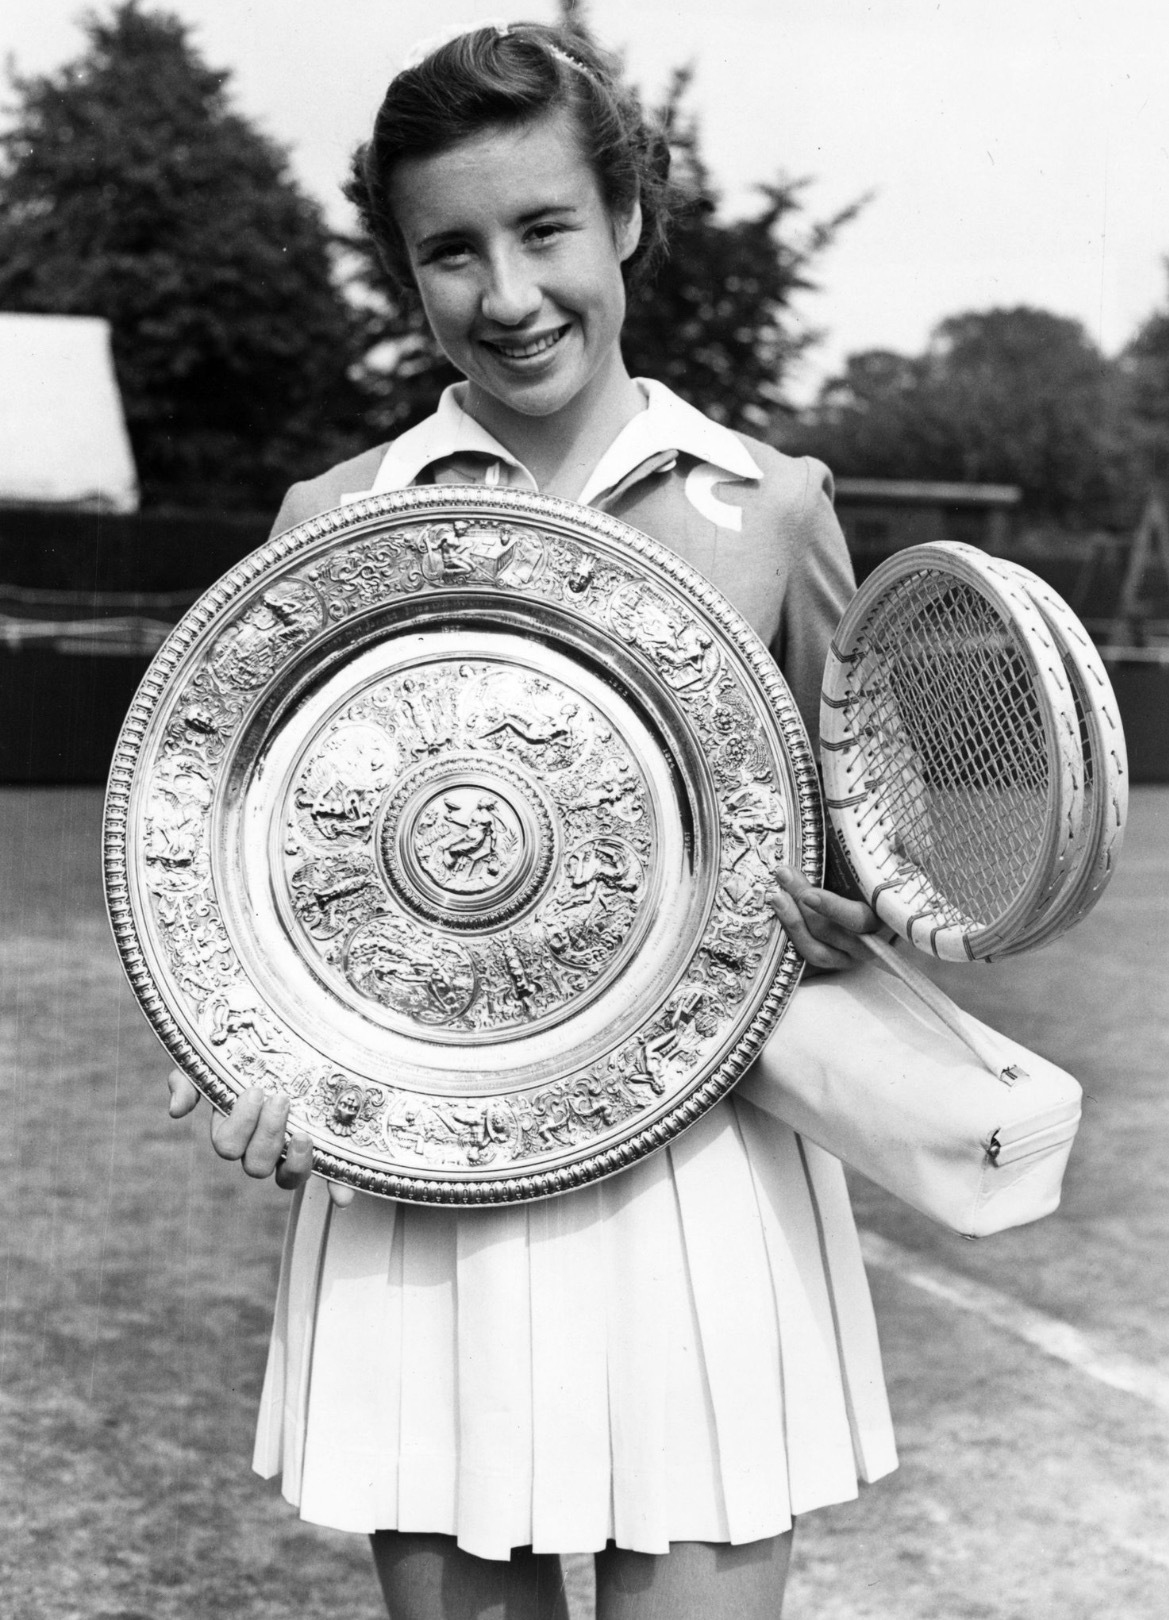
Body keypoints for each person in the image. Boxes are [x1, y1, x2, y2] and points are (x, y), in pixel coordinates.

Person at [166, 20, 893, 1618]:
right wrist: (241, 1057)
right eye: (451, 250)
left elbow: (864, 866)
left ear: (626, 216)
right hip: (423, 1207)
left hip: (699, 1198)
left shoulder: (773, 508)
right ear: (406, 269)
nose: (507, 295)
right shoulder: (331, 523)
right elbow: (228, 878)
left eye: (545, 228)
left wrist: (857, 927)